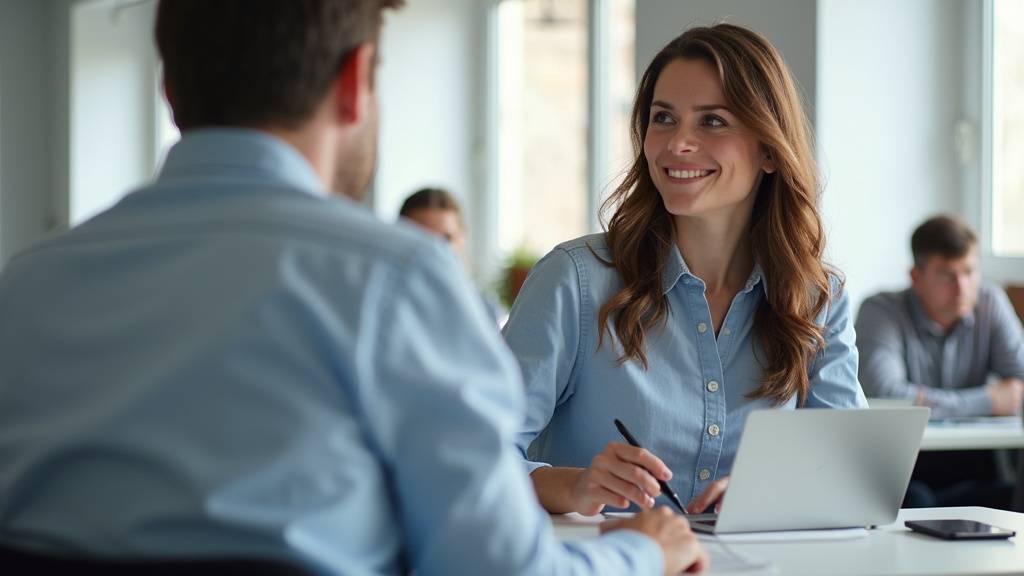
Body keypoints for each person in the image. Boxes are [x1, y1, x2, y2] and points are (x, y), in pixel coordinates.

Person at [0, 1, 708, 574]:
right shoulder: (395, 282)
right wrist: (645, 550)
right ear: (354, 80)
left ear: (170, 89)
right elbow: (493, 567)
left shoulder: (29, 285)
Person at [503, 23, 867, 519]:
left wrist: (766, 496)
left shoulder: (817, 295)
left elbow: (850, 475)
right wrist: (573, 486)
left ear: (768, 150)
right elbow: (471, 458)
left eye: (712, 122)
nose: (678, 144)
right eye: (664, 118)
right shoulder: (575, 280)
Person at [856, 214, 1024, 508]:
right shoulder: (880, 310)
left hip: (978, 468)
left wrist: (923, 399)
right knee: (916, 500)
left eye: (970, 272)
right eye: (947, 275)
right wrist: (987, 401)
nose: (962, 288)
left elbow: (1020, 382)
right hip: (906, 470)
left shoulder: (990, 301)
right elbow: (884, 395)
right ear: (916, 277)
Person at [399, 187, 506, 324]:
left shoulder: (490, 315)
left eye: (445, 239)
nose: (435, 251)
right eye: (423, 238)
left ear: (462, 237)